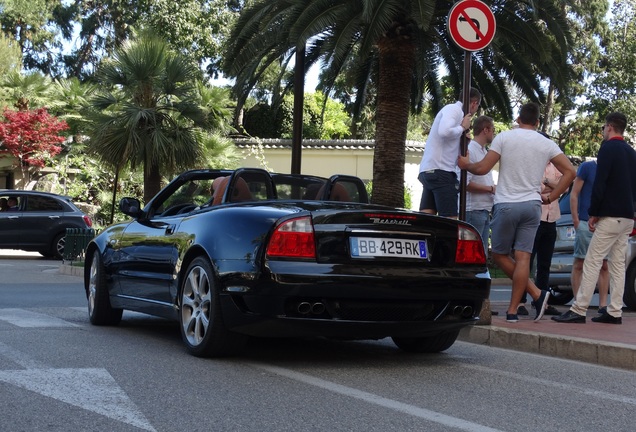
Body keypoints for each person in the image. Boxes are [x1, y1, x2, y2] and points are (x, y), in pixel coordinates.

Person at [458, 102, 576, 323]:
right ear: (538, 122)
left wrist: (466, 165)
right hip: (533, 206)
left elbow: (483, 168)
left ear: (519, 119)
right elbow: (570, 171)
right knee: (523, 258)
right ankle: (514, 310)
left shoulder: (505, 137)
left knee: (499, 255)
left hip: (507, 204)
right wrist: (552, 197)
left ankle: (536, 295)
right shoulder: (545, 142)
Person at [553, 112, 636, 324]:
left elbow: (601, 183)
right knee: (617, 264)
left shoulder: (607, 149)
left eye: (603, 128)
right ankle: (614, 311)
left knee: (592, 261)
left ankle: (578, 309)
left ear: (609, 127)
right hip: (627, 217)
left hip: (609, 215)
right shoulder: (631, 152)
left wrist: (593, 213)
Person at [418, 87, 481, 218]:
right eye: (477, 106)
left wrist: (463, 138)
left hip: (429, 171)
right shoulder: (454, 109)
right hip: (442, 172)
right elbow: (445, 132)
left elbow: (448, 143)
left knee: (426, 220)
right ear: (474, 103)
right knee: (450, 223)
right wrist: (462, 127)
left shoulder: (453, 112)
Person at [518, 159, 563, 316]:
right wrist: (551, 185)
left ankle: (543, 301)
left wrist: (546, 182)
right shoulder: (534, 164)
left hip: (551, 218)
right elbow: (536, 189)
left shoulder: (555, 166)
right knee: (527, 261)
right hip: (535, 218)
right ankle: (520, 302)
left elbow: (563, 186)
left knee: (545, 263)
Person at [569, 158, 610, 314]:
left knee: (604, 265)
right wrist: (576, 221)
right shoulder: (587, 167)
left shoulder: (611, 170)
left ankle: (603, 305)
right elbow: (574, 193)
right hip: (585, 223)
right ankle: (578, 302)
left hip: (604, 224)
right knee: (579, 262)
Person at [465, 115, 496, 255]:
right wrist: (490, 189)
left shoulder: (484, 151)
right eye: (493, 130)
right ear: (485, 130)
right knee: (473, 253)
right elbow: (465, 183)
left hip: (484, 210)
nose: (494, 133)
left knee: (481, 254)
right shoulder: (470, 150)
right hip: (473, 210)